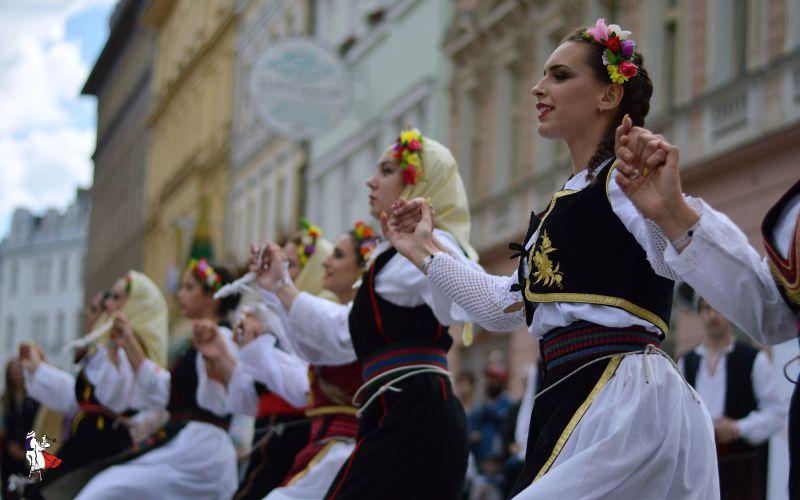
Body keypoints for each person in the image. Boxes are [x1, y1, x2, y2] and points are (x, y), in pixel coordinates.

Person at [385, 19, 718, 498]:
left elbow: (671, 261)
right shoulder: (567, 201)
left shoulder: (626, 184)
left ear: (608, 96)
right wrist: (422, 248)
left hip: (623, 398)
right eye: (543, 76)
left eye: (560, 76)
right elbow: (503, 306)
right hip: (570, 391)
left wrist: (665, 204)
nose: (538, 88)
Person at [253, 133, 479, 499]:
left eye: (387, 171)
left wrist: (433, 250)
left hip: (416, 411)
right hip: (397, 409)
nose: (371, 182)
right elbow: (342, 335)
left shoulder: (426, 246)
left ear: (416, 185)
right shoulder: (390, 260)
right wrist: (280, 287)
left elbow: (470, 299)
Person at [73, 260, 241, 499]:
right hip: (191, 446)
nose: (180, 294)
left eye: (190, 287)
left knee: (104, 490)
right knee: (103, 488)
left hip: (201, 453)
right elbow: (168, 392)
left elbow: (225, 399)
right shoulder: (198, 345)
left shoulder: (222, 340)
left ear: (212, 296)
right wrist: (129, 342)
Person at [251, 222, 378, 500]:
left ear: (363, 267)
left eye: (339, 255)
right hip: (324, 445)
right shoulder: (334, 317)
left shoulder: (355, 320)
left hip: (343, 449)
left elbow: (327, 336)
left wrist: (279, 287)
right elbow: (304, 347)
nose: (327, 263)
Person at [18, 271, 168, 497]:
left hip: (105, 444)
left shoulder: (132, 350)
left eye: (117, 298)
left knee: (50, 492)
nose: (109, 304)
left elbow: (112, 399)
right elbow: (76, 397)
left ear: (138, 304)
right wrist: (37, 370)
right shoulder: (106, 348)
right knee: (45, 490)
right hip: (89, 437)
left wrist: (117, 352)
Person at [678, 298, 786, 500]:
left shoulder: (754, 359)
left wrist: (738, 428)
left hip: (740, 469)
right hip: (697, 468)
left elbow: (776, 413)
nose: (712, 315)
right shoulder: (687, 362)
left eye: (718, 307)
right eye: (705, 309)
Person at [1, 360, 40, 499]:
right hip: (9, 453)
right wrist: (10, 445)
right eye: (13, 373)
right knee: (11, 490)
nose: (17, 376)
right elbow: (3, 427)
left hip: (28, 451)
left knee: (29, 489)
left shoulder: (33, 399)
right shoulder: (5, 401)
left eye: (19, 372)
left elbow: (36, 424)